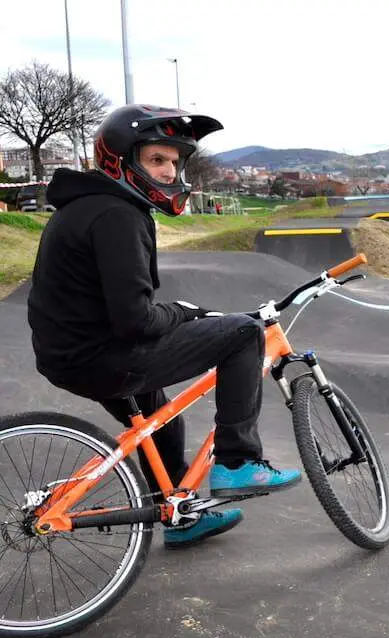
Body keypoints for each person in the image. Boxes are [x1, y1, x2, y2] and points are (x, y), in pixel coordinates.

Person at [26, 104, 302, 550]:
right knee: (242, 333)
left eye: (175, 161)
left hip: (70, 354)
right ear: (122, 160)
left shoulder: (85, 207)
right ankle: (237, 461)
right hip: (105, 356)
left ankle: (179, 514)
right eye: (157, 159)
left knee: (161, 423)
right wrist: (185, 311)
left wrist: (179, 314)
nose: (170, 171)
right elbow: (136, 319)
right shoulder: (117, 216)